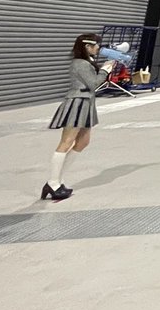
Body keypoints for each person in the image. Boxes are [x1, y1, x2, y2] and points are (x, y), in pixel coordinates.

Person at [42, 34, 118, 201]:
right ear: (87, 46)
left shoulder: (86, 61)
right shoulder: (81, 63)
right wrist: (105, 70)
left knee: (83, 142)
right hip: (77, 103)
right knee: (66, 142)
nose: (98, 48)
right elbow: (93, 83)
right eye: (96, 45)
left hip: (86, 103)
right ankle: (53, 182)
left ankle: (58, 179)